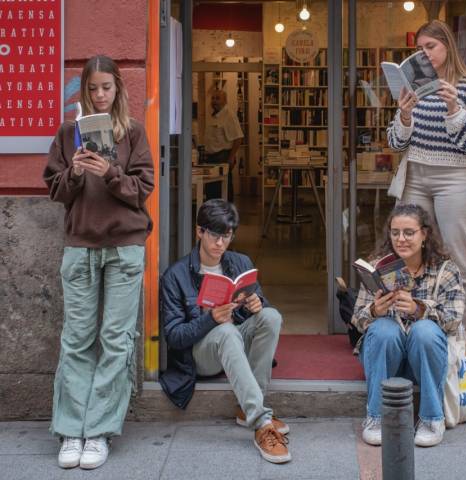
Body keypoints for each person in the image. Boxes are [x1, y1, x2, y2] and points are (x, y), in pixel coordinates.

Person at [43, 55, 155, 470]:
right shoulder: (70, 133)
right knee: (76, 339)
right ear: (85, 91)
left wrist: (109, 172)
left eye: (107, 87)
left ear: (118, 89)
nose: (100, 95)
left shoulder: (134, 133)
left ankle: (99, 430)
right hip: (81, 245)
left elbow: (143, 187)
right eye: (93, 88)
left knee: (116, 340)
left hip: (124, 246)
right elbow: (55, 190)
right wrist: (74, 172)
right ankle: (71, 429)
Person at [159, 199, 291, 464]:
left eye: (227, 236)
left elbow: (258, 303)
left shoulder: (240, 262)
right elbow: (174, 336)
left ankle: (248, 406)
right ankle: (261, 423)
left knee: (271, 317)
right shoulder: (175, 275)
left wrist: (257, 304)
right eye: (214, 235)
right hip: (201, 355)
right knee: (226, 331)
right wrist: (211, 319)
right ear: (199, 232)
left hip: (234, 344)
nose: (220, 243)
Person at [387, 20, 466, 345]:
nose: (424, 54)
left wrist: (453, 108)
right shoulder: (413, 87)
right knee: (411, 256)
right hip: (416, 175)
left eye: (430, 47)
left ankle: (464, 343)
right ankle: (417, 334)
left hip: (457, 179)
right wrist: (403, 116)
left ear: (448, 46)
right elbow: (395, 143)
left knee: (461, 259)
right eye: (420, 49)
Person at [352, 204, 465, 447]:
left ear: (424, 234)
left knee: (424, 330)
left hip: (424, 359)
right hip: (384, 356)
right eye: (395, 233)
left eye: (408, 232)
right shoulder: (376, 269)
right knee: (383, 329)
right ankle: (375, 418)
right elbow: (357, 320)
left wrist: (418, 309)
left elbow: (454, 318)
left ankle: (431, 418)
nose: (401, 239)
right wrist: (374, 310)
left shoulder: (445, 271)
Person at [203, 88, 244, 201]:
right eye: (213, 98)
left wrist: (231, 157)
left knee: (223, 192)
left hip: (222, 158)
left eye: (217, 98)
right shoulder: (213, 115)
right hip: (211, 159)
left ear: (225, 100)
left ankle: (226, 216)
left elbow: (238, 137)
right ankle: (214, 216)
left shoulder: (229, 115)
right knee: (211, 191)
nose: (214, 101)